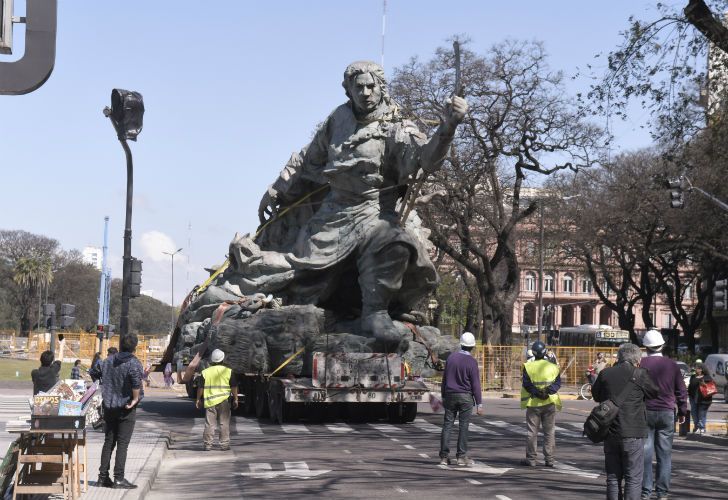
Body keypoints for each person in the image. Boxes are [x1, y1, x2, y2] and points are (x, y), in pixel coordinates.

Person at [227, 61, 468, 349]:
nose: (365, 92)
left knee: (395, 241)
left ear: (381, 88)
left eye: (370, 86)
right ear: (348, 90)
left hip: (376, 210)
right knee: (297, 273)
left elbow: (426, 160)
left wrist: (448, 128)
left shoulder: (397, 127)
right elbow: (308, 158)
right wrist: (278, 187)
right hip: (334, 215)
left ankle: (375, 313)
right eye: (359, 87)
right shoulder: (338, 119)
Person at [592, 343, 659, 500]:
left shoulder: (605, 373)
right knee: (633, 478)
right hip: (633, 432)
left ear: (619, 357)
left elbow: (596, 396)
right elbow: (655, 392)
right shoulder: (641, 374)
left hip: (609, 431)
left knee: (613, 477)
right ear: (637, 360)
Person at [639, 329, 688, 500]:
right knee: (664, 455)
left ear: (645, 347)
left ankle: (645, 492)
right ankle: (662, 493)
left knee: (645, 454)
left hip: (645, 412)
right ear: (662, 345)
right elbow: (681, 391)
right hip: (667, 412)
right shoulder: (672, 365)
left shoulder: (640, 363)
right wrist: (682, 411)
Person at [97, 334, 144, 489]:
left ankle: (102, 477)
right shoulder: (134, 363)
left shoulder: (108, 360)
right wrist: (135, 399)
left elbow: (94, 371)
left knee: (109, 441)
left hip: (109, 406)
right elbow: (136, 383)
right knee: (122, 443)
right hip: (126, 407)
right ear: (134, 347)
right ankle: (119, 478)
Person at [439, 332, 483, 467]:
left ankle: (444, 457)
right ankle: (461, 457)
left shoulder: (451, 358)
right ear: (472, 346)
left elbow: (444, 379)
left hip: (450, 395)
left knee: (447, 425)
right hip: (465, 397)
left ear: (461, 344)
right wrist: (479, 403)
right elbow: (475, 384)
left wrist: (443, 395)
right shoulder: (472, 362)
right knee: (464, 426)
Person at [520, 340, 562, 467]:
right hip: (549, 402)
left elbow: (527, 384)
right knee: (549, 432)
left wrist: (537, 393)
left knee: (532, 432)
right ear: (545, 352)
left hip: (533, 403)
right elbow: (557, 383)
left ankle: (531, 459)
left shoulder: (528, 366)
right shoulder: (553, 366)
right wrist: (547, 392)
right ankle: (549, 459)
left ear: (533, 353)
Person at [196, 349, 239, 451]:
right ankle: (224, 445)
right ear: (223, 359)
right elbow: (234, 386)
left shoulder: (205, 372)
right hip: (224, 401)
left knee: (209, 424)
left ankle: (207, 445)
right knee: (224, 423)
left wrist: (198, 399)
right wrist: (236, 399)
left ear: (212, 360)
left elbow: (200, 388)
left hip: (210, 402)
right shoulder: (228, 371)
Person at [687, 362, 713, 434]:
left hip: (703, 399)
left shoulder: (707, 377)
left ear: (701, 369)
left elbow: (711, 387)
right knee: (694, 413)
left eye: (696, 368)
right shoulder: (693, 377)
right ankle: (696, 427)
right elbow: (690, 386)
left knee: (701, 414)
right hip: (693, 398)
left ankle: (702, 428)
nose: (695, 369)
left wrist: (704, 384)